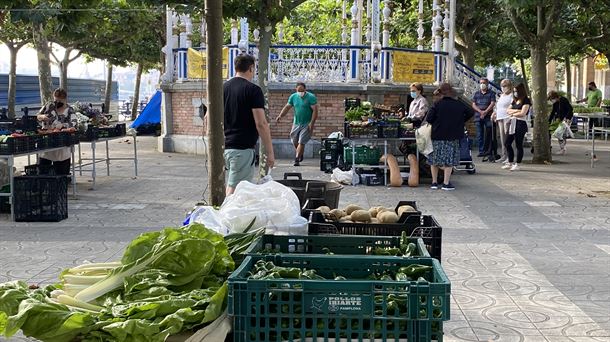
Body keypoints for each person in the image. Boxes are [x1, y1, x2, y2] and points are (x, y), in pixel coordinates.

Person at [223, 54, 275, 195]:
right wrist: (270, 152)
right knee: (236, 190)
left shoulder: (222, 88)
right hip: (242, 148)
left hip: (224, 147)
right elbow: (261, 123)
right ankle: (226, 214)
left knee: (232, 183)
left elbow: (208, 116)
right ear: (251, 68)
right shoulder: (253, 90)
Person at [426, 83, 474, 191]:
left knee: (434, 159)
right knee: (450, 159)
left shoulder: (437, 104)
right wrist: (461, 121)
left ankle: (434, 182)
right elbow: (471, 112)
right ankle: (446, 183)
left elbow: (429, 119)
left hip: (437, 134)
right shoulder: (459, 104)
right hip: (453, 135)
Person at [275, 82, 318, 166]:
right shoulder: (293, 97)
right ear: (296, 89)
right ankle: (300, 153)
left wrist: (311, 123)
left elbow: (315, 112)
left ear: (305, 89)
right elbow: (287, 107)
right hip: (296, 123)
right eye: (298, 90)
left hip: (306, 123)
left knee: (301, 142)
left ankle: (297, 158)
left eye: (302, 90)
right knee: (295, 141)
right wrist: (280, 115)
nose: (300, 92)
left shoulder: (311, 97)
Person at [36, 88, 75, 175]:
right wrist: (42, 117)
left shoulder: (70, 110)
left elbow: (73, 124)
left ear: (64, 99)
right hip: (47, 140)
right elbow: (38, 116)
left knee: (61, 171)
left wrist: (61, 126)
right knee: (44, 168)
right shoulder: (49, 105)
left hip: (61, 142)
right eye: (55, 100)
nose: (56, 102)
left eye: (59, 100)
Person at [502, 83, 530, 172]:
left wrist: (513, 113)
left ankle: (517, 163)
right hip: (512, 123)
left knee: (518, 144)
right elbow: (507, 110)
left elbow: (523, 113)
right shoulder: (515, 100)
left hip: (520, 124)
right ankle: (510, 162)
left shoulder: (526, 100)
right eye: (514, 91)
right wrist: (517, 110)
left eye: (516, 91)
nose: (515, 93)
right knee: (507, 143)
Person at [472, 78, 496, 157]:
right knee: (479, 135)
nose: (482, 84)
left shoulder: (491, 93)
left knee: (489, 132)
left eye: (484, 83)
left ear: (487, 83)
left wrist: (485, 112)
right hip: (478, 116)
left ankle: (488, 150)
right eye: (481, 83)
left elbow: (492, 103)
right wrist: (480, 111)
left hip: (488, 116)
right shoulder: (476, 93)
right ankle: (481, 151)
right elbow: (473, 104)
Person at [492, 79, 513, 164]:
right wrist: (494, 114)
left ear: (509, 86)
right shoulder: (501, 96)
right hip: (500, 117)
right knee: (502, 138)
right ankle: (504, 155)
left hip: (507, 117)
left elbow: (513, 106)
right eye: (502, 86)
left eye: (505, 86)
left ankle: (509, 156)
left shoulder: (511, 95)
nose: (503, 88)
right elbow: (498, 107)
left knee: (508, 138)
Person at [548, 91, 574, 155]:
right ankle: (560, 148)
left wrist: (567, 117)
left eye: (552, 99)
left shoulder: (563, 100)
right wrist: (549, 121)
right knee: (556, 133)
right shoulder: (555, 103)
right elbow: (553, 112)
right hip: (559, 120)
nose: (552, 101)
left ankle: (563, 149)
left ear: (555, 97)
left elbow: (570, 109)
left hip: (566, 119)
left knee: (560, 133)